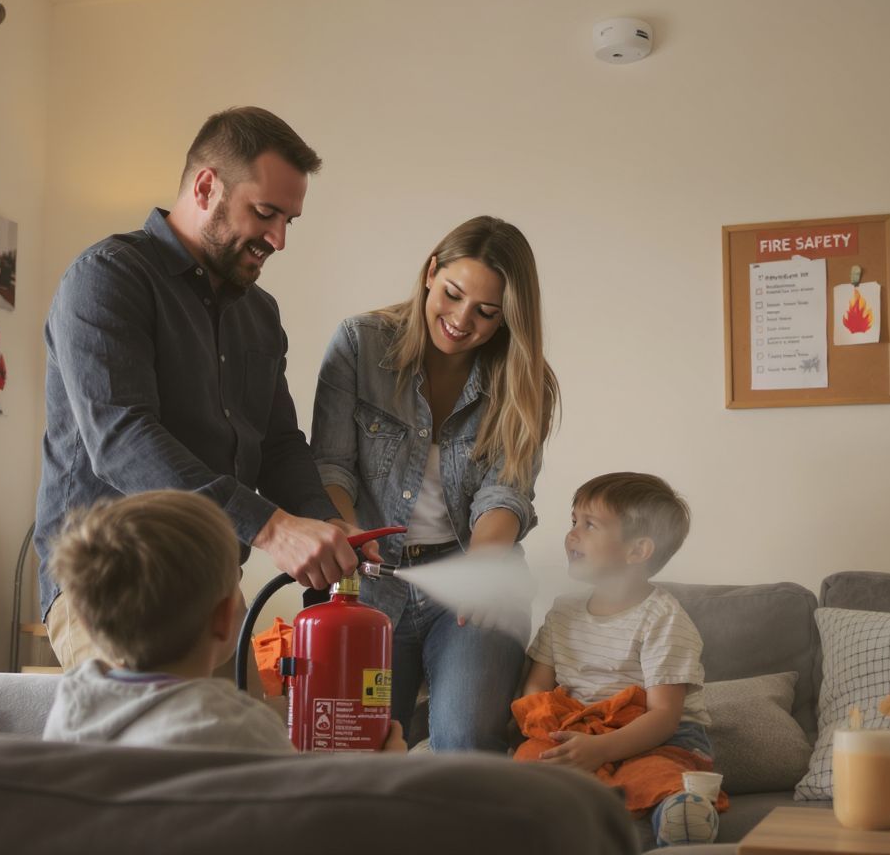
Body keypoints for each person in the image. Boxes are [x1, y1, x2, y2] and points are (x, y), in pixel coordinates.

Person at [36, 107, 363, 669]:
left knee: (245, 751)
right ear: (207, 186)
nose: (279, 239)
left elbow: (280, 443)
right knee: (162, 752)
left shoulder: (260, 315)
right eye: (265, 213)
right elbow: (123, 440)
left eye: (290, 220)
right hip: (111, 587)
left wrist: (325, 521)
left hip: (212, 591)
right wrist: (271, 527)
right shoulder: (106, 278)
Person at [310, 216, 559, 752]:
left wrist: (482, 568)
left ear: (507, 319)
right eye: (452, 294)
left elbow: (506, 492)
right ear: (430, 272)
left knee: (466, 740)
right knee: (358, 748)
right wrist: (350, 542)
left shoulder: (524, 380)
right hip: (370, 581)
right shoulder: (359, 344)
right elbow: (330, 468)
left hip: (473, 581)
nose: (461, 320)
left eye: (486, 313)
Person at [42, 489, 407, 753]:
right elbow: (298, 819)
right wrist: (384, 773)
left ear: (89, 624)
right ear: (224, 618)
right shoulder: (243, 728)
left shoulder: (71, 707)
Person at [514, 472, 724, 846]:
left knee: (655, 773)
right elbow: (537, 683)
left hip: (655, 736)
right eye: (573, 521)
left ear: (637, 551)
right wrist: (550, 728)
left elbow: (664, 716)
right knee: (531, 761)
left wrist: (602, 750)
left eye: (590, 524)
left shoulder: (663, 618)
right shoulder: (564, 610)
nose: (572, 535)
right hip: (579, 726)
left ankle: (681, 813)